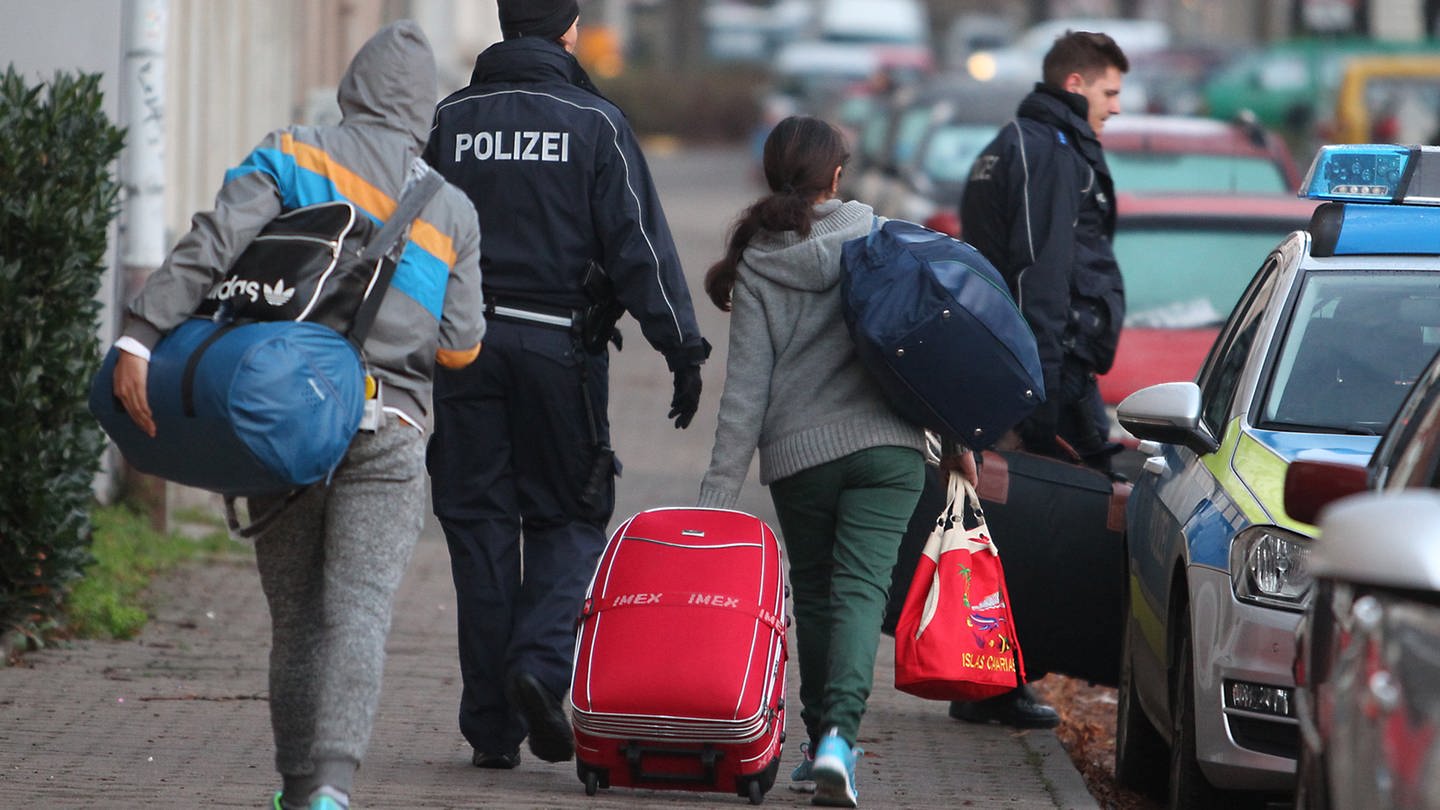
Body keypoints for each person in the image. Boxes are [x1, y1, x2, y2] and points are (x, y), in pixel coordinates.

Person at [109, 21, 485, 810]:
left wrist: (142, 335)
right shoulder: (449, 208)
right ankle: (332, 788)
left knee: (298, 619)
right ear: (425, 109)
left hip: (278, 418)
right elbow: (459, 350)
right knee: (358, 613)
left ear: (352, 85)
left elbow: (212, 246)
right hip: (389, 429)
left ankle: (291, 785)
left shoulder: (289, 151)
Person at [422, 0, 711, 771]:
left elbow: (412, 236)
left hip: (461, 350)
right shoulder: (595, 122)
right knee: (569, 518)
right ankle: (540, 667)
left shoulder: (451, 119)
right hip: (558, 352)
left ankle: (490, 728)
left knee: (479, 527)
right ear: (569, 29)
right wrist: (679, 344)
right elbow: (637, 243)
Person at [697, 115, 973, 809]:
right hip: (888, 451)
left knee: (816, 595)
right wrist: (958, 437)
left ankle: (821, 737)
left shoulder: (759, 260)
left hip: (800, 458)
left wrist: (716, 497)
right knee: (859, 594)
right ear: (836, 176)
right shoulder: (877, 235)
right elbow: (926, 347)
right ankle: (836, 744)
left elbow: (746, 391)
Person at [949, 30, 1129, 729]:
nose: (1117, 109)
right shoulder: (1046, 153)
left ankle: (997, 682)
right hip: (1044, 371)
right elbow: (1038, 276)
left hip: (1034, 366)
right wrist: (1045, 390)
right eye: (1111, 92)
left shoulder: (1018, 146)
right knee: (1053, 529)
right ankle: (996, 685)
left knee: (1015, 528)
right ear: (1077, 85)